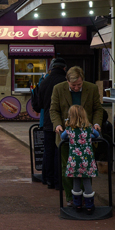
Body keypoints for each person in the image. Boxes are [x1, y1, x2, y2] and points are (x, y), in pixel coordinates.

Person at [50, 66, 103, 207]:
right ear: (67, 81)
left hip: (86, 136)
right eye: (73, 85)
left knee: (87, 167)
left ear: (83, 80)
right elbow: (53, 109)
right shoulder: (58, 89)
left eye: (79, 84)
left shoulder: (91, 89)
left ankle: (87, 198)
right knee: (67, 168)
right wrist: (57, 125)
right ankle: (70, 198)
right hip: (66, 136)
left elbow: (98, 108)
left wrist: (97, 124)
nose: (76, 87)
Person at [32, 58, 67, 190]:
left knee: (48, 151)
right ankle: (59, 181)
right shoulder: (65, 82)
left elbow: (39, 104)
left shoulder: (44, 82)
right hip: (62, 123)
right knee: (60, 151)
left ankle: (48, 179)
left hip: (47, 121)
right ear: (64, 68)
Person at [60, 105, 99, 214]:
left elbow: (63, 137)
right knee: (87, 181)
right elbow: (97, 134)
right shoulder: (88, 128)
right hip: (87, 159)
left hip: (74, 159)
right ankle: (89, 205)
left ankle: (77, 205)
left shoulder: (69, 129)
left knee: (75, 180)